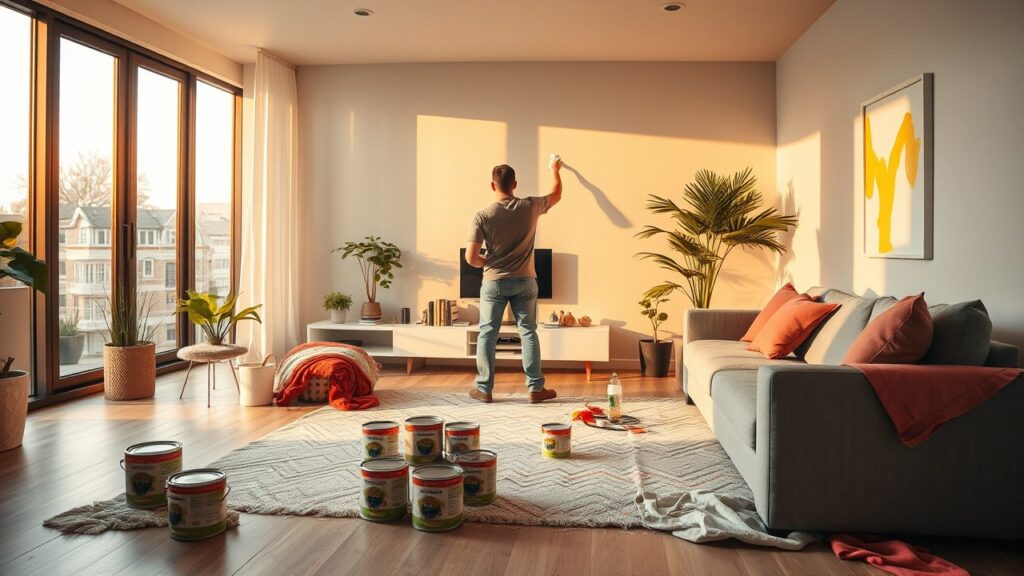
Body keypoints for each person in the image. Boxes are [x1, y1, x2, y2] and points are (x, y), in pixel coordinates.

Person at [465, 160, 562, 403]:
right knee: (528, 332)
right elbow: (557, 194)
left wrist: (486, 262)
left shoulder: (483, 216)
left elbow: (471, 258)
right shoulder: (530, 206)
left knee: (487, 333)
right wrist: (555, 170)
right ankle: (536, 389)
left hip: (494, 282)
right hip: (526, 281)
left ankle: (484, 389)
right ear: (515, 184)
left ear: (492, 185)